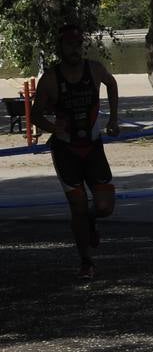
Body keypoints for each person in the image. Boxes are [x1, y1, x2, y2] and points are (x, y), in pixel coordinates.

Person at [32, 24, 121, 278]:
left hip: (93, 148)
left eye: (78, 44)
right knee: (77, 208)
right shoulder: (50, 79)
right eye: (70, 44)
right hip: (66, 151)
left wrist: (114, 119)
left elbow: (112, 84)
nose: (75, 49)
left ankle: (90, 220)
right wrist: (52, 127)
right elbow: (36, 114)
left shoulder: (93, 69)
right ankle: (86, 261)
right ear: (60, 47)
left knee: (104, 207)